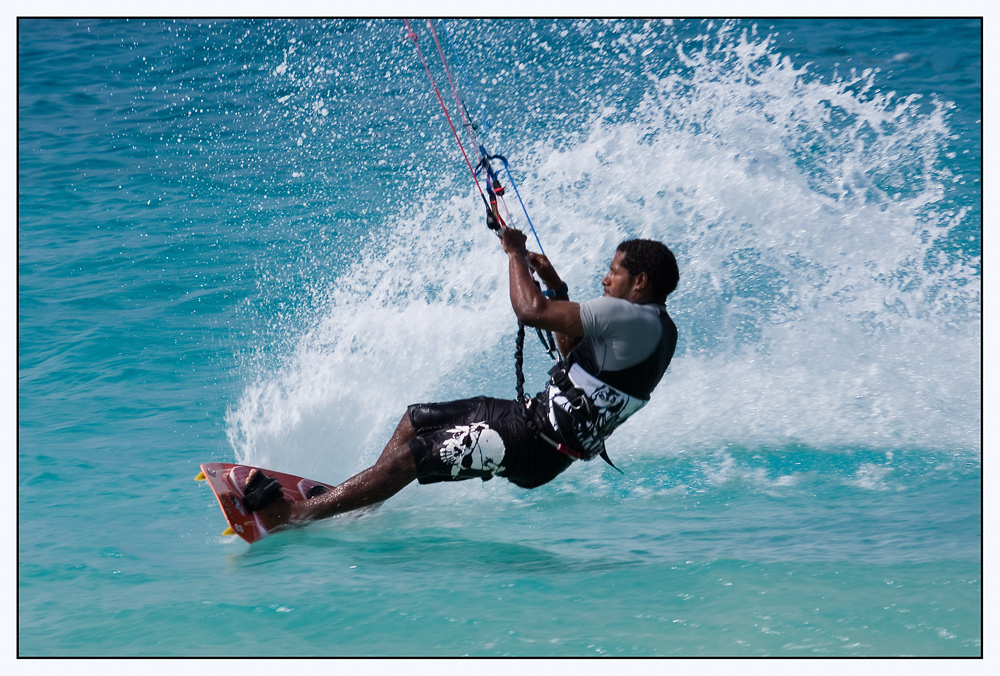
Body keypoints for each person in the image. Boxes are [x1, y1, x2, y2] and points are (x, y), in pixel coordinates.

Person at [241, 224, 679, 531]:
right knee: (417, 418)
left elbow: (530, 313)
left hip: (533, 447)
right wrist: (555, 283)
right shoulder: (657, 329)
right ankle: (356, 499)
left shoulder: (628, 316)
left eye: (614, 271)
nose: (605, 278)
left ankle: (294, 517)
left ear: (639, 282)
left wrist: (513, 254)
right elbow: (574, 357)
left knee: (416, 455)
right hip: (532, 424)